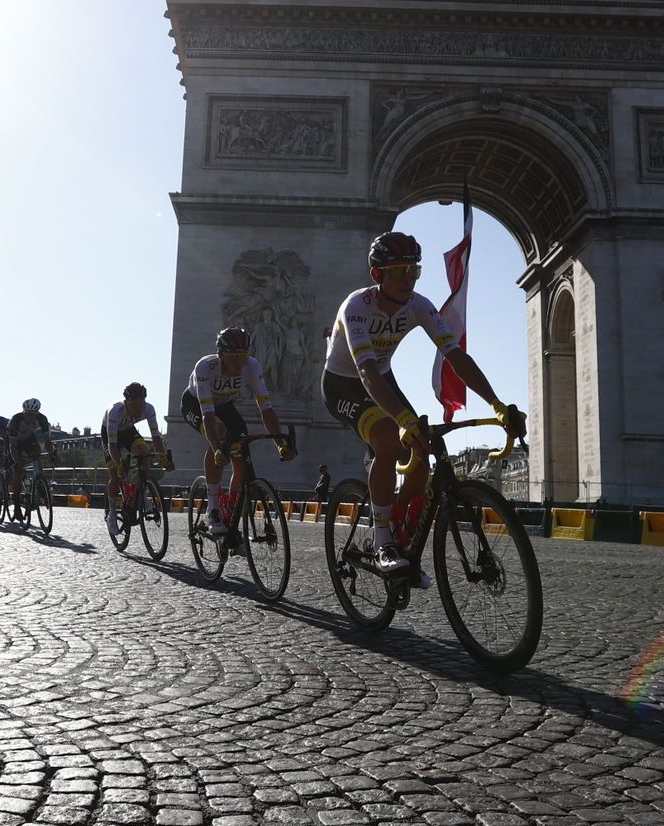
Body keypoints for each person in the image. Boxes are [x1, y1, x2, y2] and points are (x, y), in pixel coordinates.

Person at [320, 231, 525, 576]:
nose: (407, 279)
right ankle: (383, 539)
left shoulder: (419, 304)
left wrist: (497, 404)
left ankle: (399, 529)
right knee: (388, 436)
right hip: (345, 383)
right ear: (377, 276)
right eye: (398, 271)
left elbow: (456, 357)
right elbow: (366, 371)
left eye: (413, 271)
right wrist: (401, 419)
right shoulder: (356, 307)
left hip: (382, 378)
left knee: (420, 455)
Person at [181, 326, 295, 537]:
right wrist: (217, 449)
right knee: (220, 434)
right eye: (233, 358)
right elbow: (207, 416)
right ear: (221, 356)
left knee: (242, 457)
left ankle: (231, 514)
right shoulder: (205, 368)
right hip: (196, 404)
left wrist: (280, 443)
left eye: (243, 357)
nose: (239, 363)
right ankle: (213, 508)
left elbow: (266, 408)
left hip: (225, 406)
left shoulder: (251, 366)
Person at [102, 382, 172, 531]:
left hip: (127, 430)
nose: (137, 408)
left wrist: (162, 457)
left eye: (140, 404)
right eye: (133, 404)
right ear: (126, 402)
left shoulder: (148, 409)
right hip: (110, 436)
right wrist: (119, 463)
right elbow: (112, 445)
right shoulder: (115, 411)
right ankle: (112, 513)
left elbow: (156, 437)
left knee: (144, 450)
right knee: (115, 475)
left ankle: (143, 492)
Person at [6, 399, 54, 517]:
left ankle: (40, 484)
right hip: (15, 442)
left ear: (37, 413)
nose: (30, 418)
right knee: (19, 470)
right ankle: (16, 505)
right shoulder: (16, 420)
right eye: (27, 414)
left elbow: (47, 441)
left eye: (32, 415)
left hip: (28, 440)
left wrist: (52, 453)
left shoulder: (42, 419)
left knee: (36, 456)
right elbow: (12, 446)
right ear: (23, 412)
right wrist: (17, 461)